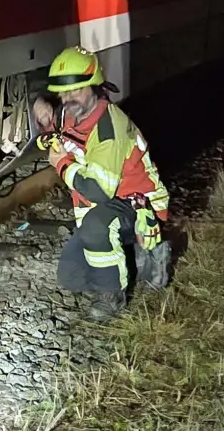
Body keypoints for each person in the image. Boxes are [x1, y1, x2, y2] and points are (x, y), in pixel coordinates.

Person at [33, 46, 171, 322]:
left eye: (75, 90)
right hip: (105, 203)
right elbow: (58, 140)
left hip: (138, 202)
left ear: (94, 86)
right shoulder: (71, 113)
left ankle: (112, 297)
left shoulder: (108, 128)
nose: (67, 98)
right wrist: (45, 123)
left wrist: (61, 164)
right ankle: (132, 255)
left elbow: (97, 189)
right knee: (71, 276)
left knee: (97, 229)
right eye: (62, 92)